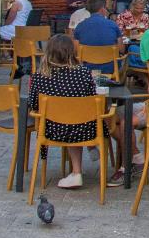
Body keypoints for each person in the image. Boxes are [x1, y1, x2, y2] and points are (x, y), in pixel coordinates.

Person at [28, 35, 102, 189]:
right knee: (78, 117)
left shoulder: (39, 76)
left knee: (67, 118)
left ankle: (76, 173)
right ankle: (77, 170)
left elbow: (33, 104)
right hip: (83, 130)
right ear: (71, 52)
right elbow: (91, 98)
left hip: (50, 130)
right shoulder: (83, 73)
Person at [71, 0, 121, 73]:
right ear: (102, 9)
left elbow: (76, 50)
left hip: (86, 69)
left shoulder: (80, 26)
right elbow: (121, 49)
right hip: (110, 69)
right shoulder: (113, 25)